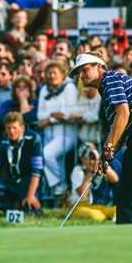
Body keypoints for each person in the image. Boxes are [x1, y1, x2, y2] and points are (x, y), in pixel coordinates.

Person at [69, 51, 132, 224]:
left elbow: (123, 113)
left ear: (99, 66)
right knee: (129, 202)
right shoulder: (106, 90)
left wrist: (107, 150)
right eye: (78, 73)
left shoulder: (109, 78)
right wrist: (106, 157)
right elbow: (120, 132)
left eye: (84, 70)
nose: (81, 75)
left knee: (129, 203)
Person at [0, 111, 43, 213]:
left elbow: (37, 170)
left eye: (14, 128)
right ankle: (12, 206)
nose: (11, 132)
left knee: (31, 210)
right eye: (8, 128)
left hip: (28, 183)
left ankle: (25, 202)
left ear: (22, 128)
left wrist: (30, 195)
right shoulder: (3, 143)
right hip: (11, 182)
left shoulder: (34, 139)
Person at [37, 60, 78, 196]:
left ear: (62, 74)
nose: (51, 76)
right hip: (49, 133)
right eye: (49, 73)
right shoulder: (44, 89)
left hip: (67, 133)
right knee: (54, 159)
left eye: (54, 73)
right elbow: (39, 114)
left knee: (47, 153)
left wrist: (49, 119)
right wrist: (54, 116)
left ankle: (60, 183)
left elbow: (68, 114)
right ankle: (60, 196)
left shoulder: (69, 88)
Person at [69, 143, 121, 221]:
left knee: (119, 210)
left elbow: (115, 179)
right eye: (87, 157)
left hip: (99, 206)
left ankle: (110, 217)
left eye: (93, 157)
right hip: (80, 205)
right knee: (96, 215)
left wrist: (102, 164)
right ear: (82, 159)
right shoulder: (78, 170)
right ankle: (108, 218)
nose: (91, 160)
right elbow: (82, 194)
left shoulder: (99, 166)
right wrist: (89, 172)